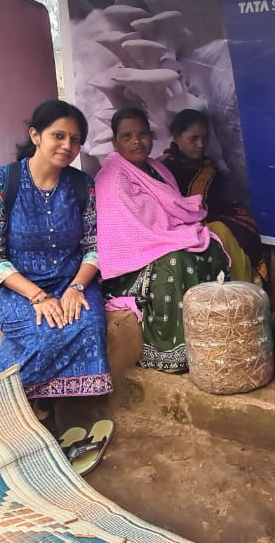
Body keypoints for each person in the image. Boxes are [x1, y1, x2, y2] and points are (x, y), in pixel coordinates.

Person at [0, 99, 111, 406]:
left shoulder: (82, 185)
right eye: (59, 136)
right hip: (16, 285)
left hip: (70, 279)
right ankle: (9, 407)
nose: (68, 145)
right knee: (42, 336)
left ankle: (57, 410)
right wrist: (38, 296)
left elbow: (94, 247)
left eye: (75, 140)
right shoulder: (2, 180)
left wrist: (77, 287)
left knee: (89, 328)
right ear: (35, 135)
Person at [96, 107, 228, 374]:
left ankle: (212, 331)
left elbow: (172, 209)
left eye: (143, 134)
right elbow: (133, 233)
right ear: (115, 142)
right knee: (176, 262)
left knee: (211, 247)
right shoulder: (111, 179)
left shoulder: (156, 168)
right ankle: (171, 351)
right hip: (130, 265)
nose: (137, 141)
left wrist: (179, 234)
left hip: (158, 243)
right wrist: (175, 239)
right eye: (127, 136)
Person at [159, 108, 267, 285]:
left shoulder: (209, 168)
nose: (201, 144)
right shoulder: (163, 170)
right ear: (177, 137)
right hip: (177, 225)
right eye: (193, 139)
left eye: (205, 138)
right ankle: (242, 285)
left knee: (246, 228)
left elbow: (213, 200)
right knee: (225, 231)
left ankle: (249, 286)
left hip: (208, 215)